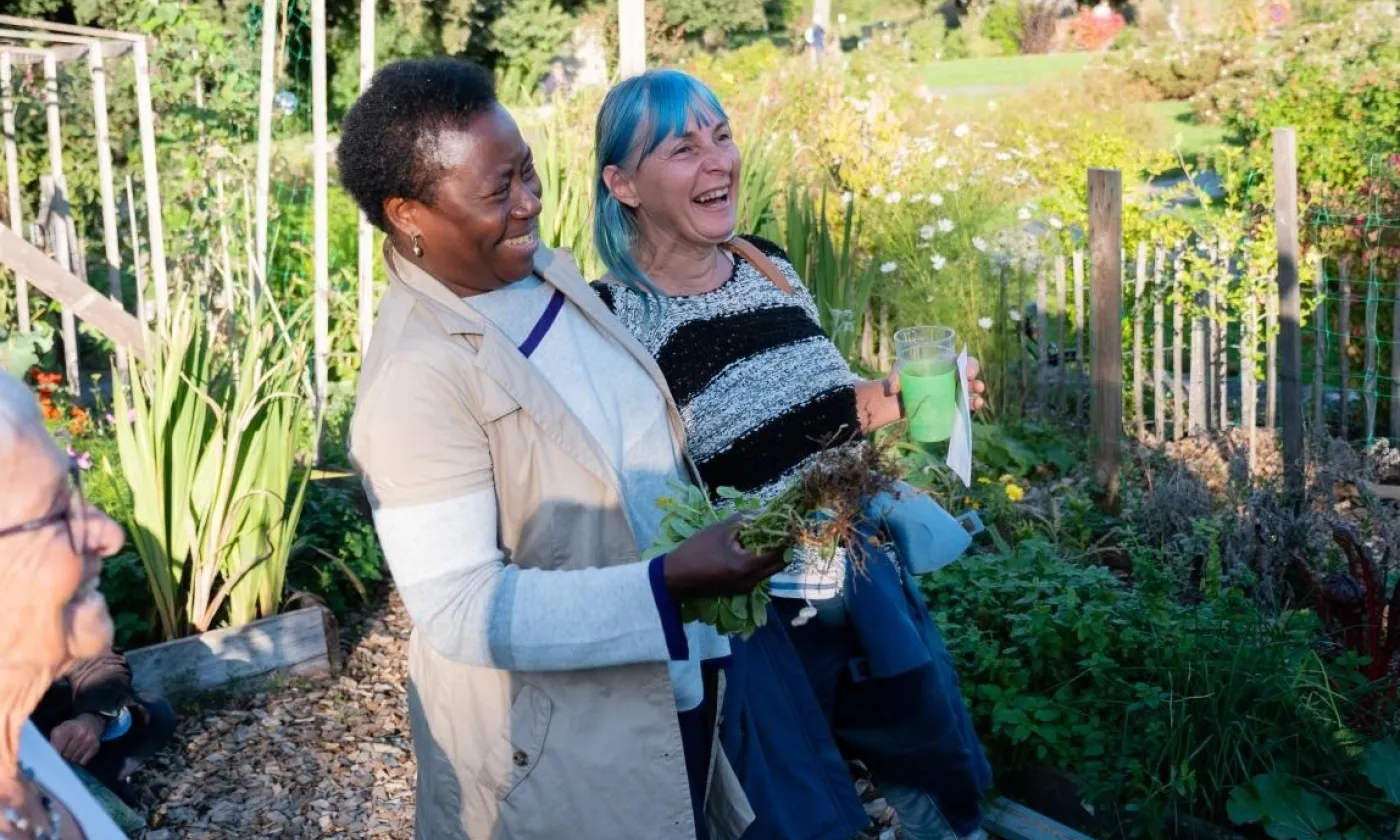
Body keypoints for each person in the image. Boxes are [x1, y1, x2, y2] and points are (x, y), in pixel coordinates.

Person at [338, 57, 837, 840]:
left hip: (673, 671)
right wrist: (668, 581)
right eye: (498, 191)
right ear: (408, 214)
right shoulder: (415, 379)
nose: (531, 202)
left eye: (528, 173)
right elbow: (462, 611)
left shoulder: (536, 277)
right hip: (566, 737)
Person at [591, 69, 993, 840]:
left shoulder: (767, 263)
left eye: (722, 135)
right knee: (802, 804)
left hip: (860, 567)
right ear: (624, 184)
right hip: (758, 615)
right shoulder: (615, 320)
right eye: (684, 148)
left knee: (929, 758)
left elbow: (824, 402)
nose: (719, 161)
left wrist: (898, 395)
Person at [0, 369, 129, 839]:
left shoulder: (20, 753)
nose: (109, 533)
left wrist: (92, 719)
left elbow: (104, 665)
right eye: (56, 511)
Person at [31, 650, 176, 806]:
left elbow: (95, 659)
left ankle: (93, 790)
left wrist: (91, 719)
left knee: (154, 714)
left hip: (49, 732)